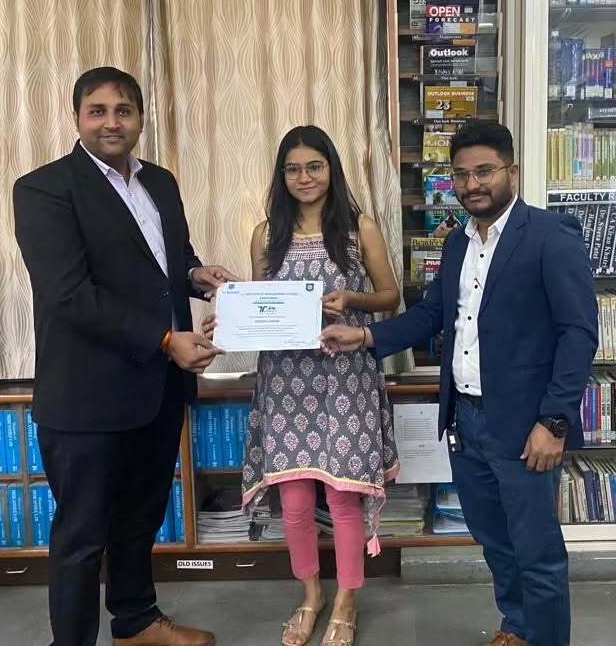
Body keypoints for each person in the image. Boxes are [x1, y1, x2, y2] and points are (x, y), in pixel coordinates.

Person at [320, 120, 598, 646]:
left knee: (537, 554)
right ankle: (517, 628)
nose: (472, 184)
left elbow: (578, 334)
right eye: (461, 175)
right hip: (467, 423)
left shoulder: (549, 235)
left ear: (513, 171)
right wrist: (365, 336)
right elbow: (432, 315)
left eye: (484, 171)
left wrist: (554, 421)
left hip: (527, 426)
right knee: (496, 543)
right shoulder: (456, 244)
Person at [13, 66, 237, 646]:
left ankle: (135, 622)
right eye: (98, 110)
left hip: (157, 389)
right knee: (82, 536)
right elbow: (68, 294)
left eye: (124, 110)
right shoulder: (44, 189)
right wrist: (165, 340)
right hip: (87, 394)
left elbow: (166, 263)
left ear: (140, 118)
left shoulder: (160, 181)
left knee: (141, 517)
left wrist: (196, 275)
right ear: (77, 117)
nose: (111, 122)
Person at [242, 125, 400, 646]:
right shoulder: (266, 234)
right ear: (281, 176)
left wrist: (351, 301)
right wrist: (231, 315)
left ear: (331, 169)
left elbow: (390, 297)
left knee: (343, 497)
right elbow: (259, 307)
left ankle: (347, 599)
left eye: (314, 166)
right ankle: (311, 595)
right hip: (286, 381)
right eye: (293, 169)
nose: (304, 177)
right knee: (293, 502)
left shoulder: (360, 228)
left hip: (345, 379)